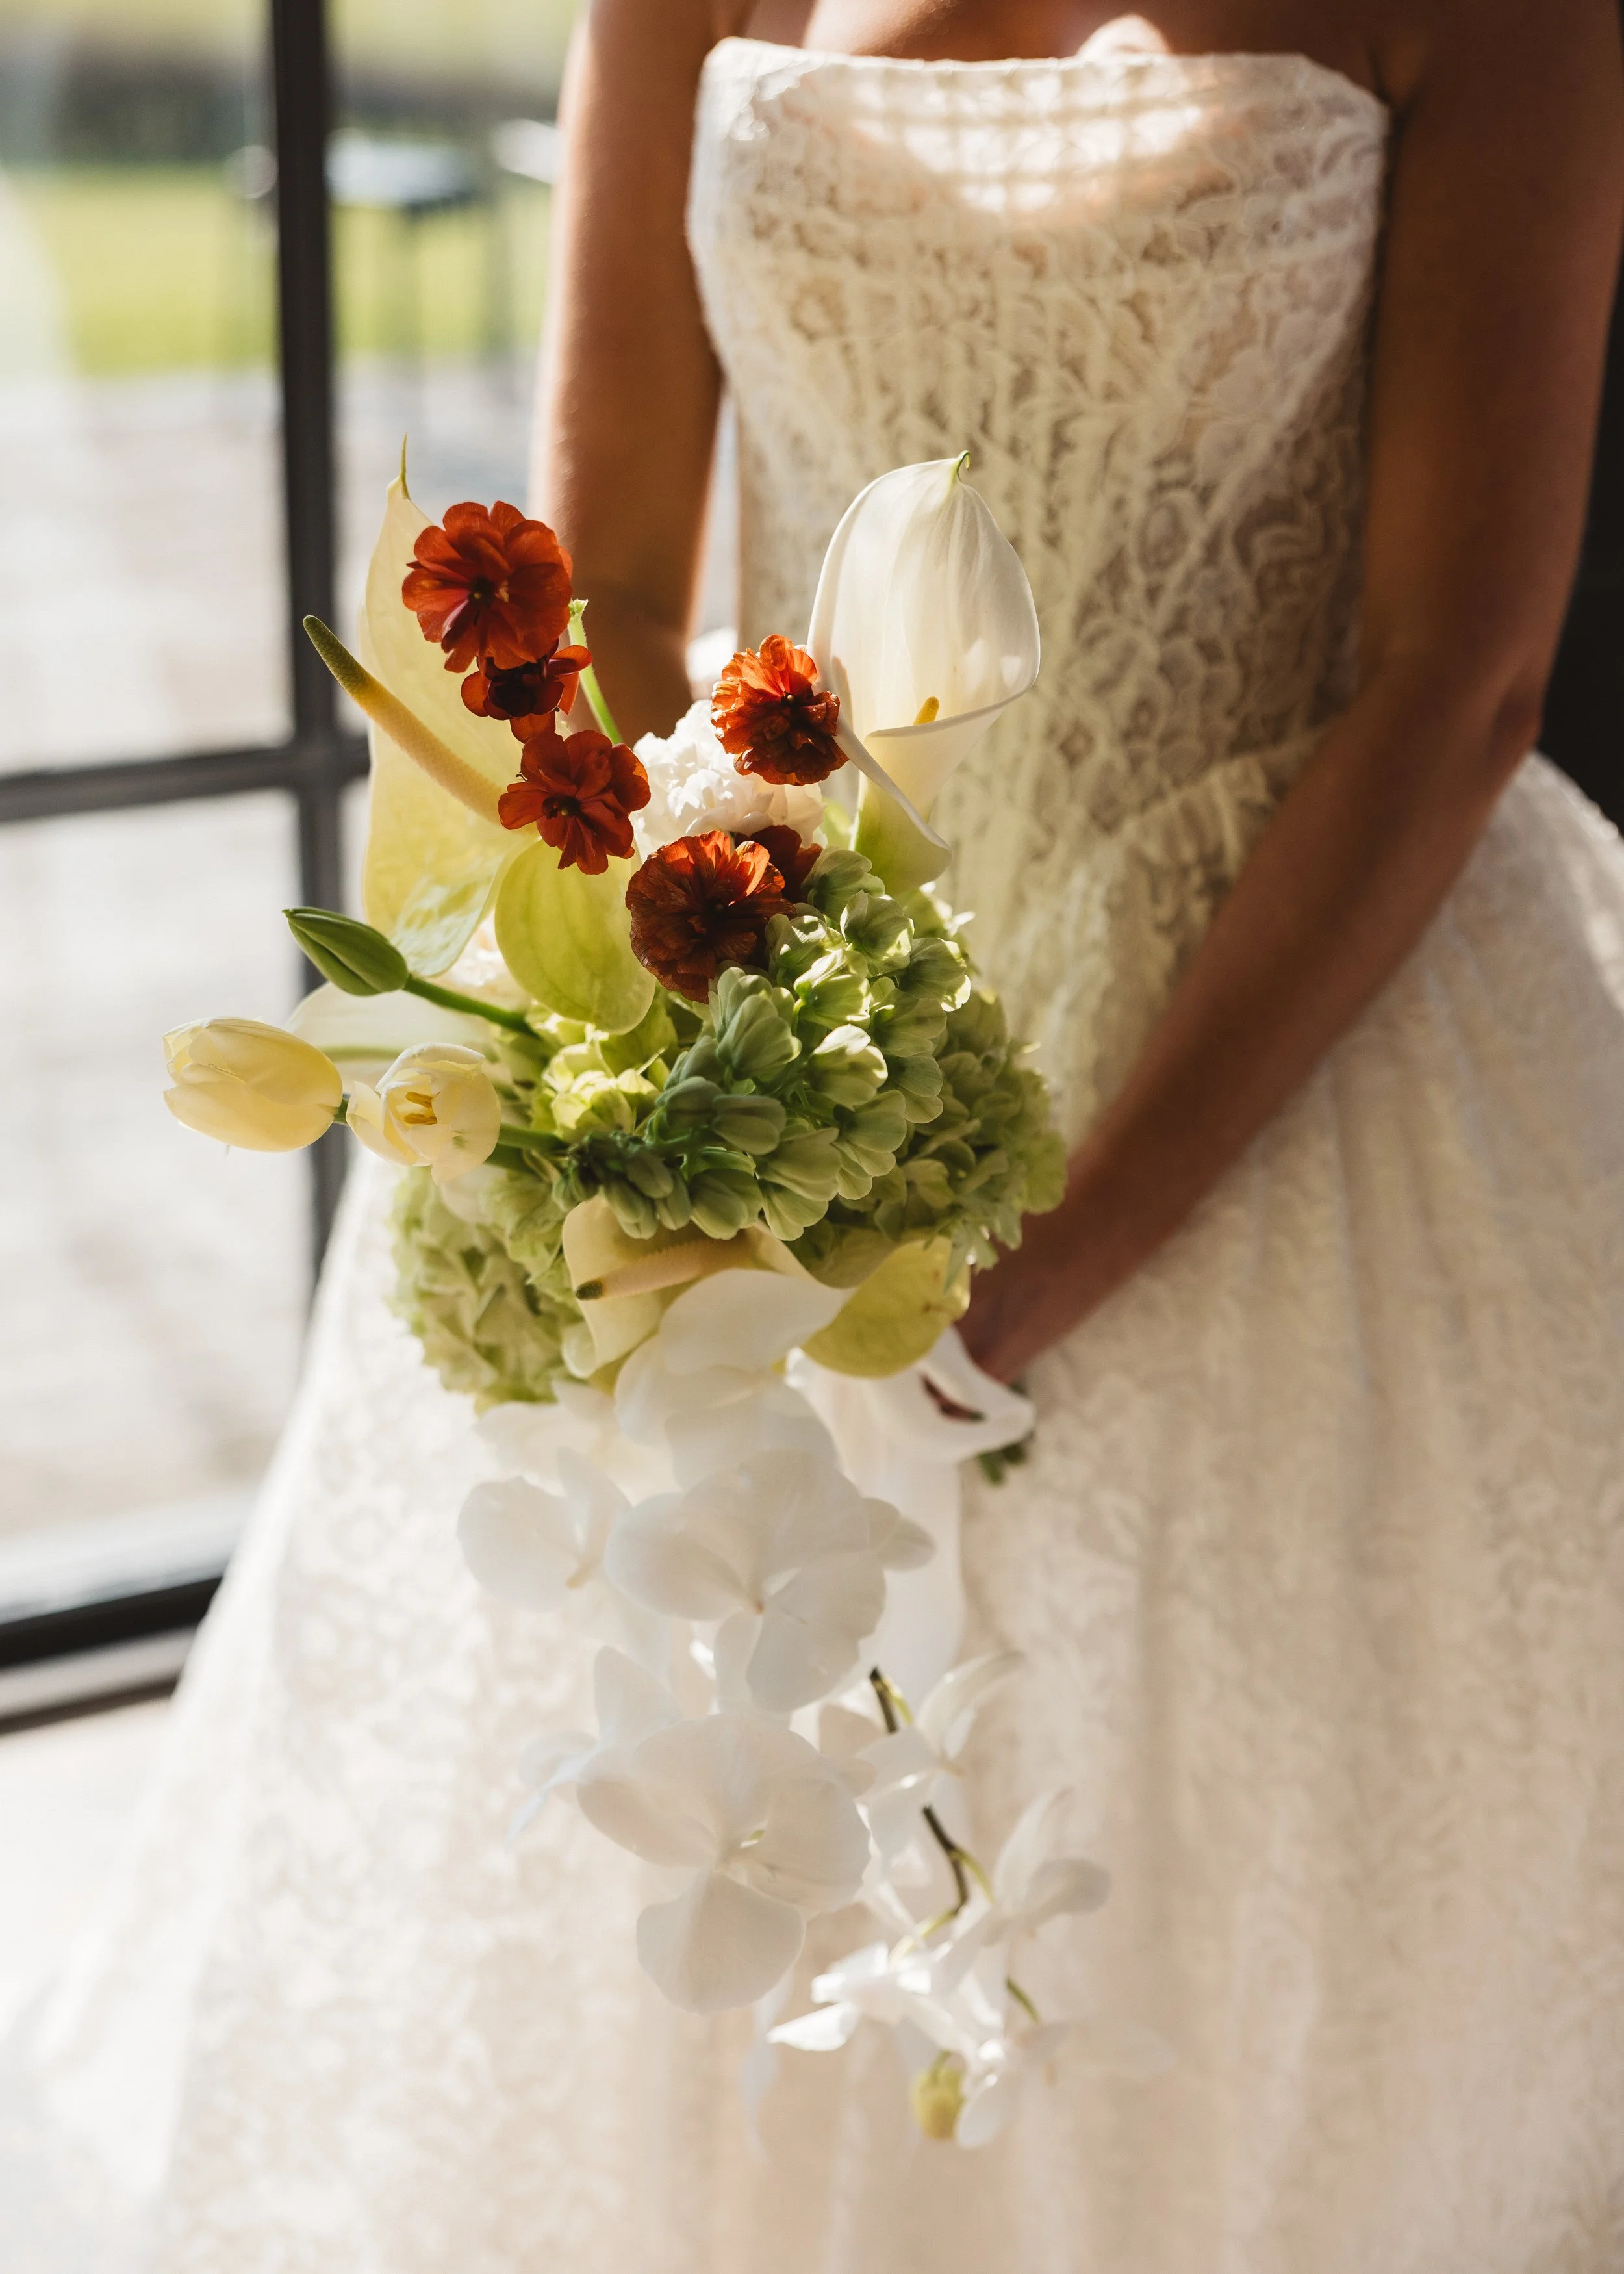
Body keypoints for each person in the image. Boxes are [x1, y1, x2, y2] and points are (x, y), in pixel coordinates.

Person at [7, 5, 1624, 2269]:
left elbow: (1457, 669)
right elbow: (626, 593)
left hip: (1293, 1036)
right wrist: (661, 1069)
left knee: (1244, 1903)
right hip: (768, 964)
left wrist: (1044, 1252)